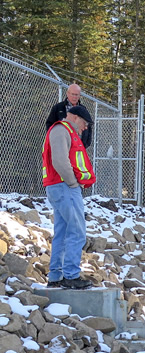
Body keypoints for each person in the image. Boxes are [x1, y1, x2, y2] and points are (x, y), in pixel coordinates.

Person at [42, 106, 96, 289]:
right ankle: (71, 275)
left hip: (59, 187)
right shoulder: (61, 130)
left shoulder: (61, 131)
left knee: (63, 232)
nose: (84, 127)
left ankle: (56, 276)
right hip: (64, 187)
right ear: (73, 117)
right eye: (83, 123)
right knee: (76, 231)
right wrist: (73, 183)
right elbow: (60, 161)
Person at [45, 84, 93, 148]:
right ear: (67, 93)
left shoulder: (83, 109)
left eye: (77, 95)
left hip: (79, 145)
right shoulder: (58, 108)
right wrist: (55, 138)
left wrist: (86, 143)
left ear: (79, 96)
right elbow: (49, 124)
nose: (74, 97)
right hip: (63, 144)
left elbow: (88, 127)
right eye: (73, 94)